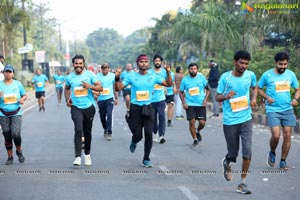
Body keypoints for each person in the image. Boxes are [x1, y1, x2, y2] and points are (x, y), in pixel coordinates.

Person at [115, 54, 172, 167]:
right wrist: (116, 77)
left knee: (148, 134)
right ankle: (134, 140)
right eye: (141, 62)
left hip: (148, 107)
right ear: (137, 63)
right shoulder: (131, 76)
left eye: (146, 62)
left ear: (148, 63)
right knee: (138, 135)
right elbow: (118, 88)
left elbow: (169, 84)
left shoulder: (153, 76)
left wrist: (168, 72)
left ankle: (146, 158)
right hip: (135, 108)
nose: (144, 64)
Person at [215, 50, 257, 194]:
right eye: (241, 63)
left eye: (246, 63)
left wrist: (253, 98)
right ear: (235, 62)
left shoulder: (250, 75)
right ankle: (227, 162)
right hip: (230, 121)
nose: (244, 66)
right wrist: (226, 96)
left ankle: (242, 183)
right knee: (233, 153)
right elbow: (217, 97)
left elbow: (254, 87)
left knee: (247, 151)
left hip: (246, 118)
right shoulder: (226, 78)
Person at [257, 52, 300, 170]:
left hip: (287, 109)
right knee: (276, 136)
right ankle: (272, 151)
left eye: (285, 64)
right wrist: (266, 97)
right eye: (280, 64)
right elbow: (258, 88)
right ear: (275, 63)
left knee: (287, 135)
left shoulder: (290, 75)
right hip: (273, 109)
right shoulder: (267, 75)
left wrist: (295, 99)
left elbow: (297, 89)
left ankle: (283, 161)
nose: (283, 67)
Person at [64, 55, 102, 166]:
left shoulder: (90, 75)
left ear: (83, 64)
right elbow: (66, 88)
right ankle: (77, 157)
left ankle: (87, 154)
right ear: (73, 64)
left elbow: (100, 87)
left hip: (89, 107)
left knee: (87, 132)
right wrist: (67, 99)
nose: (78, 65)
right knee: (78, 130)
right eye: (76, 63)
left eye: (80, 63)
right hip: (76, 107)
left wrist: (89, 86)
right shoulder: (70, 77)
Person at [0, 64, 27, 165]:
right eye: (6, 71)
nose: (7, 73)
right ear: (3, 73)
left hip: (16, 112)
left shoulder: (18, 84)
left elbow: (24, 95)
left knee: (16, 134)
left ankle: (19, 150)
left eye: (9, 72)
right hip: (3, 113)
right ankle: (10, 156)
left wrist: (22, 99)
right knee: (7, 135)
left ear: (13, 73)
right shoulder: (0, 84)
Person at [179, 63, 210, 147]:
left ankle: (198, 131)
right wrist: (184, 103)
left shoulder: (201, 78)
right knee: (192, 122)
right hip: (190, 104)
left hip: (200, 104)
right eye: (191, 69)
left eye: (195, 68)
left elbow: (208, 89)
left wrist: (205, 100)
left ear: (197, 69)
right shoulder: (185, 80)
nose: (193, 70)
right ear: (189, 70)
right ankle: (195, 139)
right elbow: (181, 92)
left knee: (202, 123)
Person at [94, 63, 118, 141]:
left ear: (108, 69)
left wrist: (116, 98)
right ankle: (105, 128)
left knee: (109, 114)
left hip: (110, 98)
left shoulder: (112, 76)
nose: (105, 71)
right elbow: (94, 86)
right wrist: (95, 94)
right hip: (101, 99)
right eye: (103, 70)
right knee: (102, 116)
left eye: (106, 70)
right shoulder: (97, 76)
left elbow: (115, 87)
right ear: (101, 70)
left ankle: (109, 132)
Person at [148, 55, 167, 143]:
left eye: (159, 61)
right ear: (153, 62)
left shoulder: (164, 72)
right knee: (153, 118)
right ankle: (154, 132)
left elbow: (169, 82)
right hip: (151, 99)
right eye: (156, 61)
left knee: (162, 116)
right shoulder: (149, 72)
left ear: (161, 62)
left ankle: (161, 135)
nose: (157, 62)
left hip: (161, 98)